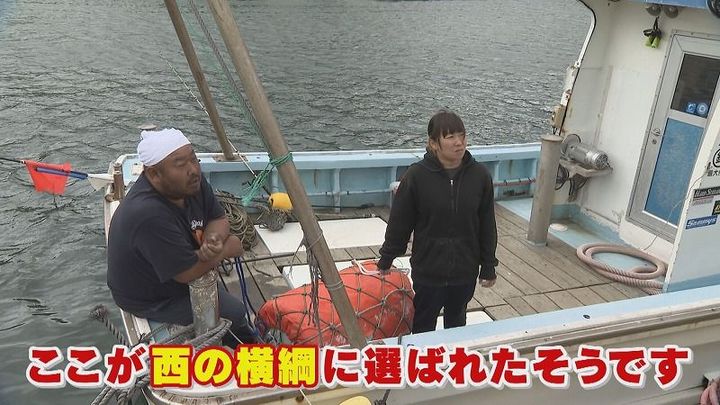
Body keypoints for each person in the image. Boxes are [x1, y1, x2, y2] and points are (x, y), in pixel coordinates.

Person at [107, 127, 257, 345]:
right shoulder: (147, 213)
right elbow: (185, 273)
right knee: (234, 312)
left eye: (193, 159)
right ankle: (250, 348)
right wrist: (225, 249)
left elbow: (217, 218)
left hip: (179, 264)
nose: (193, 169)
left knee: (230, 309)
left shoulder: (191, 182)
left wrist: (213, 241)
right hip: (152, 297)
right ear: (154, 174)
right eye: (180, 164)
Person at [377, 110, 498, 334]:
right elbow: (400, 223)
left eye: (462, 135)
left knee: (457, 323)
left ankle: (453, 354)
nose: (459, 142)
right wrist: (387, 257)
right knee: (423, 325)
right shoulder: (416, 176)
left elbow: (487, 225)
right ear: (433, 143)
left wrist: (488, 265)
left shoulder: (480, 176)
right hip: (428, 271)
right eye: (450, 137)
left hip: (465, 271)